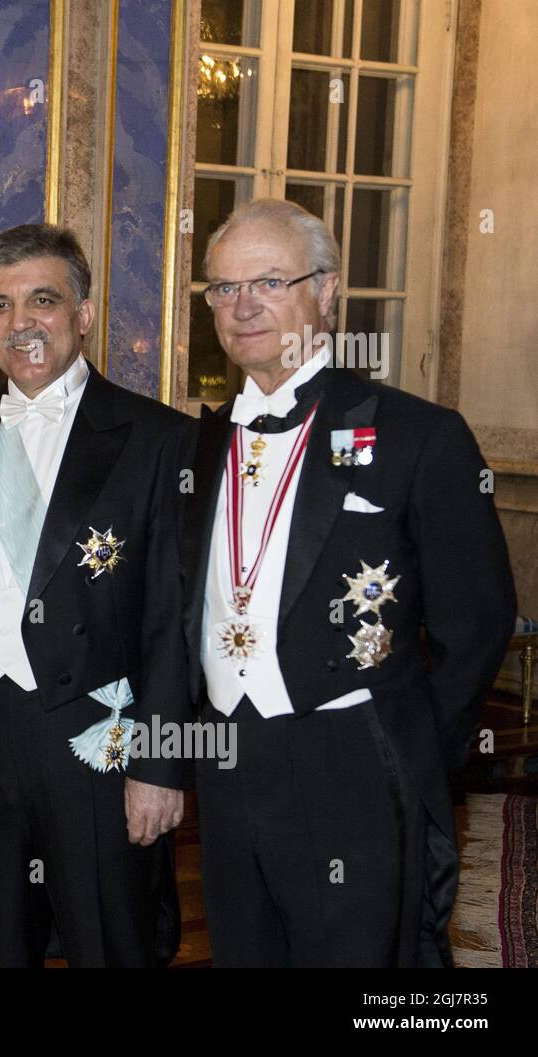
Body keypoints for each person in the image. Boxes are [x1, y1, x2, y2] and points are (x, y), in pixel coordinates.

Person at [182, 197, 516, 966]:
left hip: (354, 760)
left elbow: (479, 617)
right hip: (227, 758)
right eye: (224, 288)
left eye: (268, 281)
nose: (243, 306)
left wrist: (409, 745)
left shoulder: (418, 435)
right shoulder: (197, 443)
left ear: (327, 292)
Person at [0, 223, 190, 967]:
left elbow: (170, 619)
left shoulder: (157, 439)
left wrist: (157, 763)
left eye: (43, 300)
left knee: (112, 940)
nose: (19, 322)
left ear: (84, 313)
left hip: (96, 740)